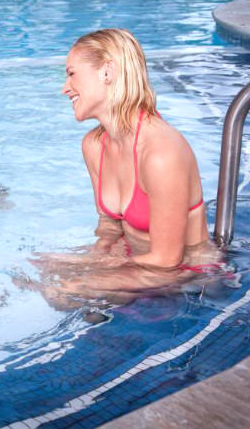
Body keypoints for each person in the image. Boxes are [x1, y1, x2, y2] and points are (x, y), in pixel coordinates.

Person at [55, 28, 223, 279]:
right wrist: (92, 260)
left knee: (62, 291)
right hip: (139, 264)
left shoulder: (161, 153)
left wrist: (90, 278)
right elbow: (109, 227)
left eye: (71, 74)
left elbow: (167, 261)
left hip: (189, 279)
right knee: (38, 268)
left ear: (107, 72)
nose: (65, 88)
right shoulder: (94, 145)